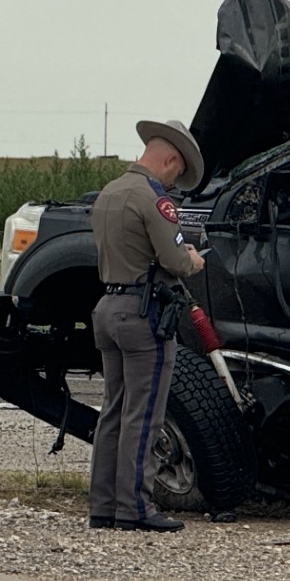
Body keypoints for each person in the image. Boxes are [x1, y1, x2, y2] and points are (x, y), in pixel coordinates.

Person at [88, 118, 207, 532]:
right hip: (143, 316)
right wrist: (193, 258)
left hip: (107, 308)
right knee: (144, 414)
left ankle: (103, 506)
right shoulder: (154, 200)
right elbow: (175, 262)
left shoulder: (110, 192)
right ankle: (135, 507)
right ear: (170, 158)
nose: (174, 182)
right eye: (177, 172)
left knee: (113, 411)